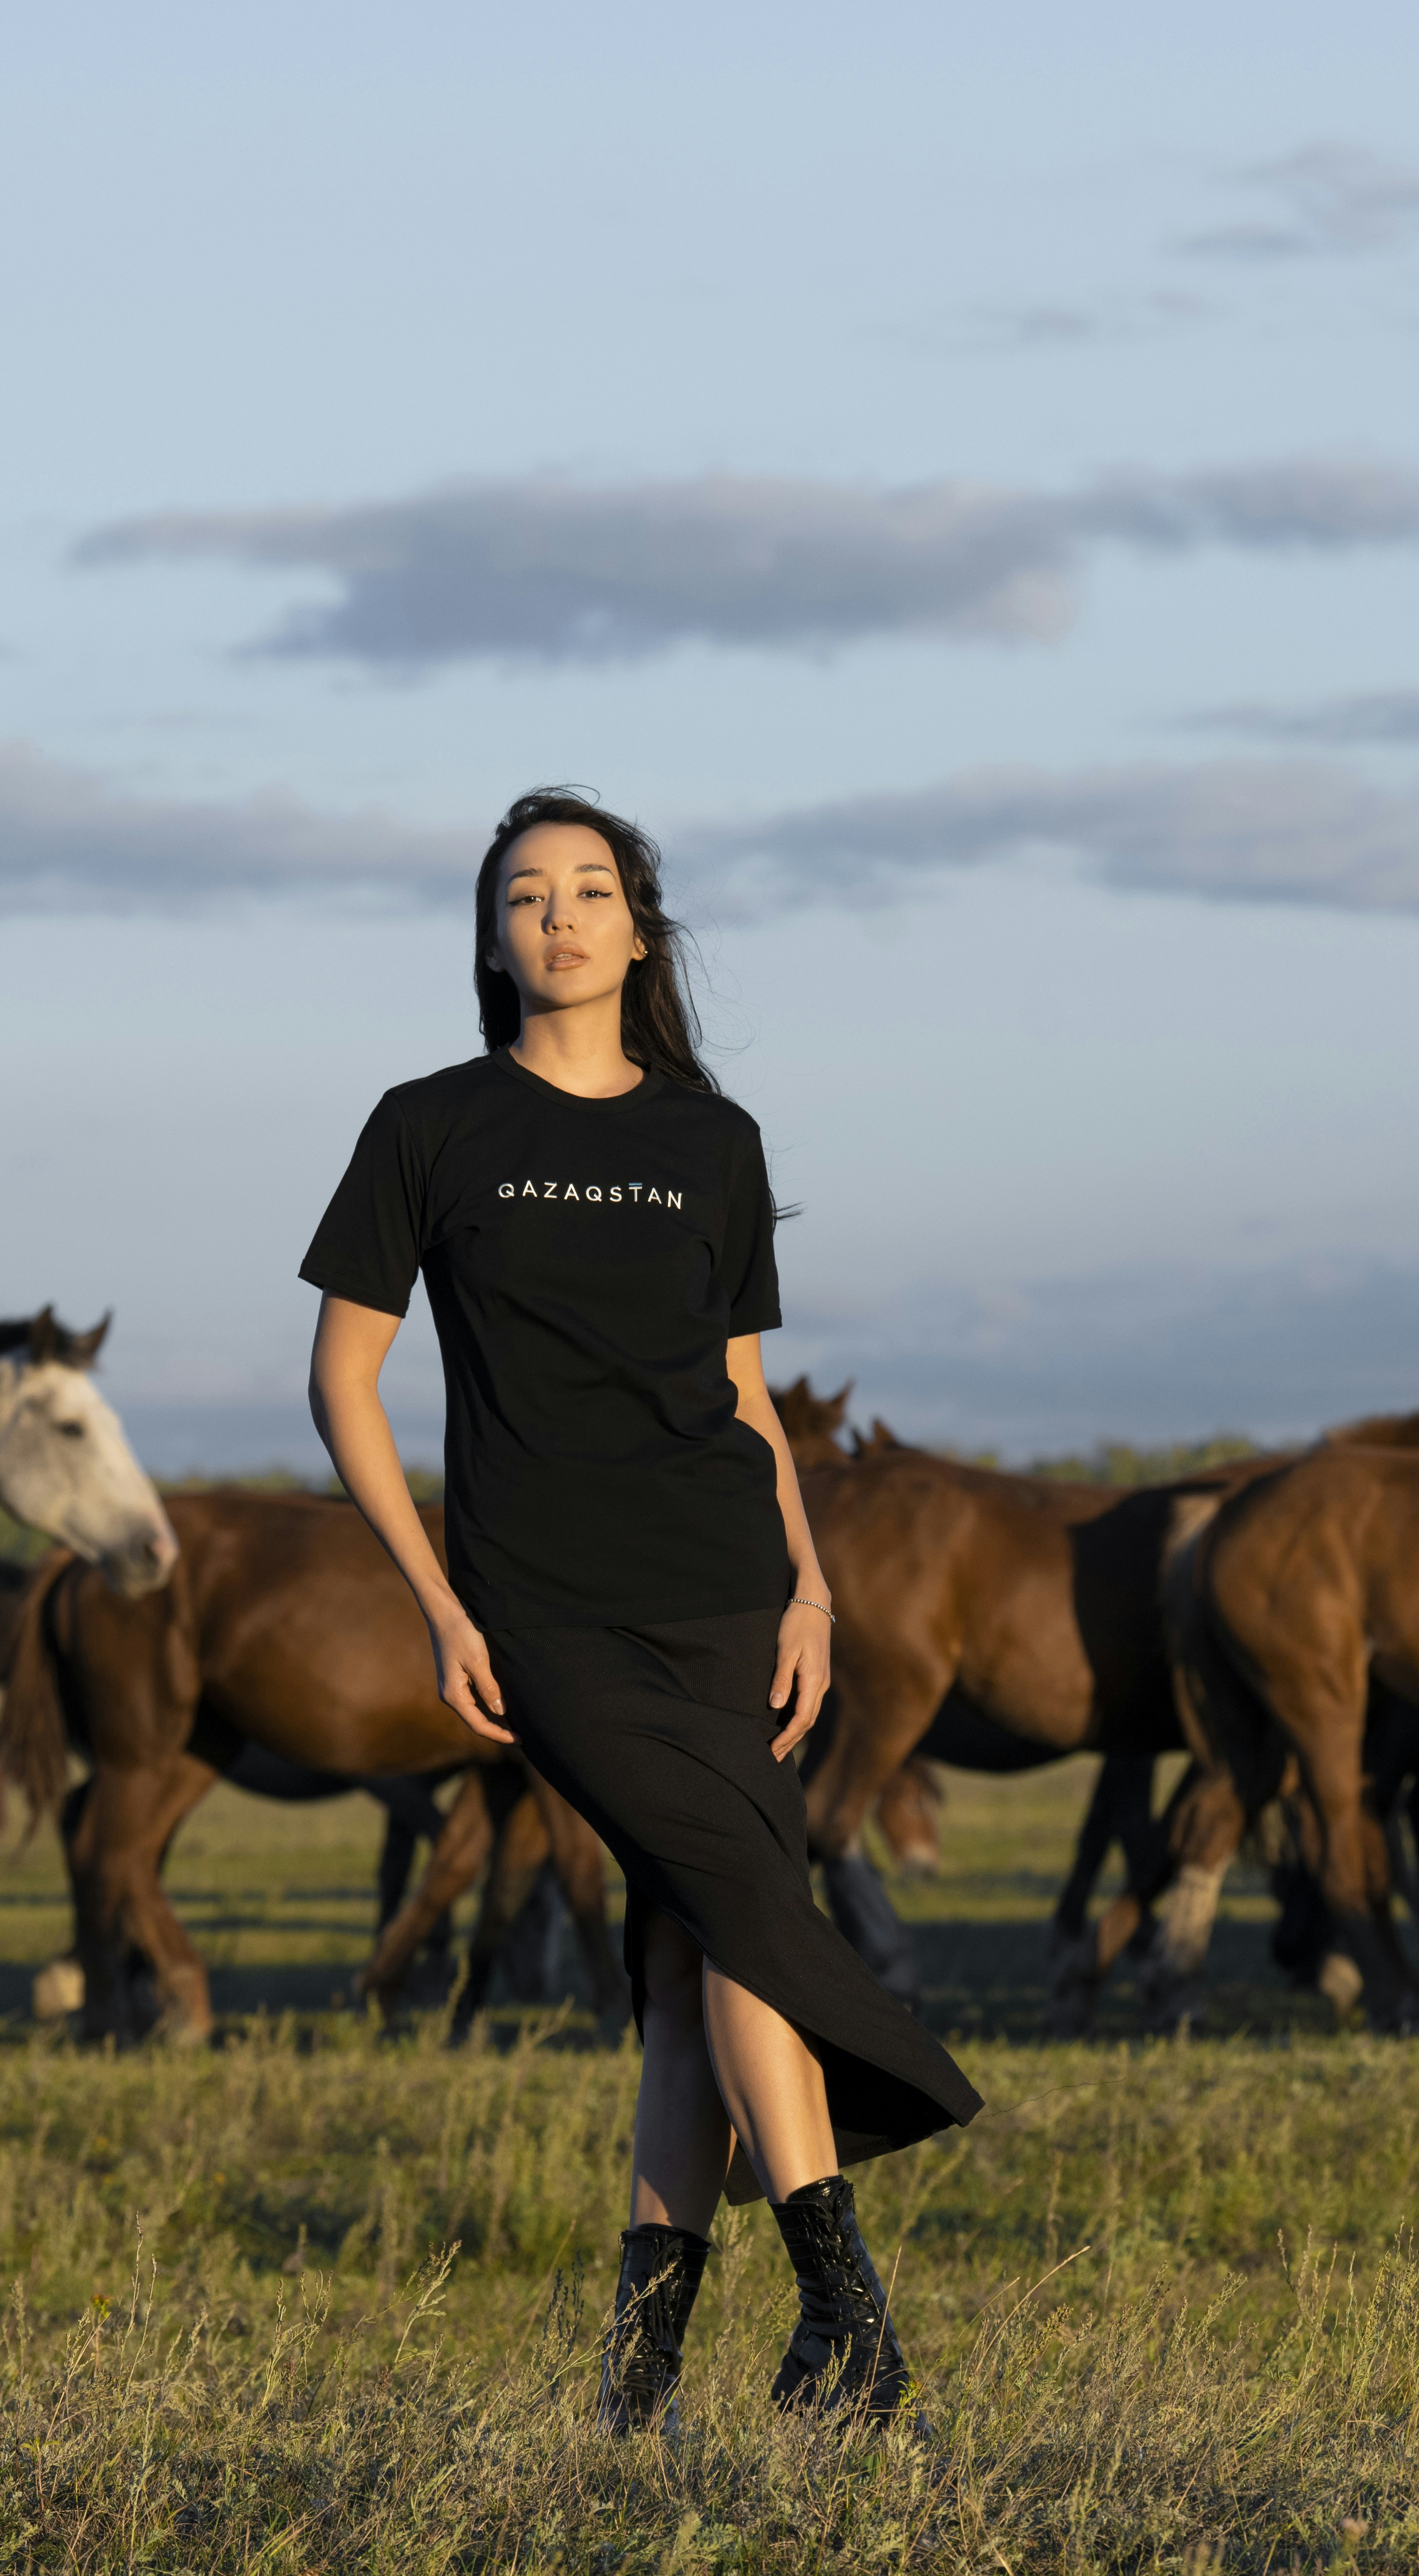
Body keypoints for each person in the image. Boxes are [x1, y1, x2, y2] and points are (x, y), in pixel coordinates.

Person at [300, 787, 982, 2434]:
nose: (560, 916)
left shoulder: (711, 1140)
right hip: (547, 1603)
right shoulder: (429, 1125)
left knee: (691, 1962)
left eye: (592, 890)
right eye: (526, 895)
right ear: (491, 937)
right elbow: (344, 1383)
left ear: (639, 929)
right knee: (747, 1904)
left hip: (729, 1588)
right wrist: (443, 1602)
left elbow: (742, 1395)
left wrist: (811, 1582)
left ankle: (637, 2383)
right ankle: (845, 2308)